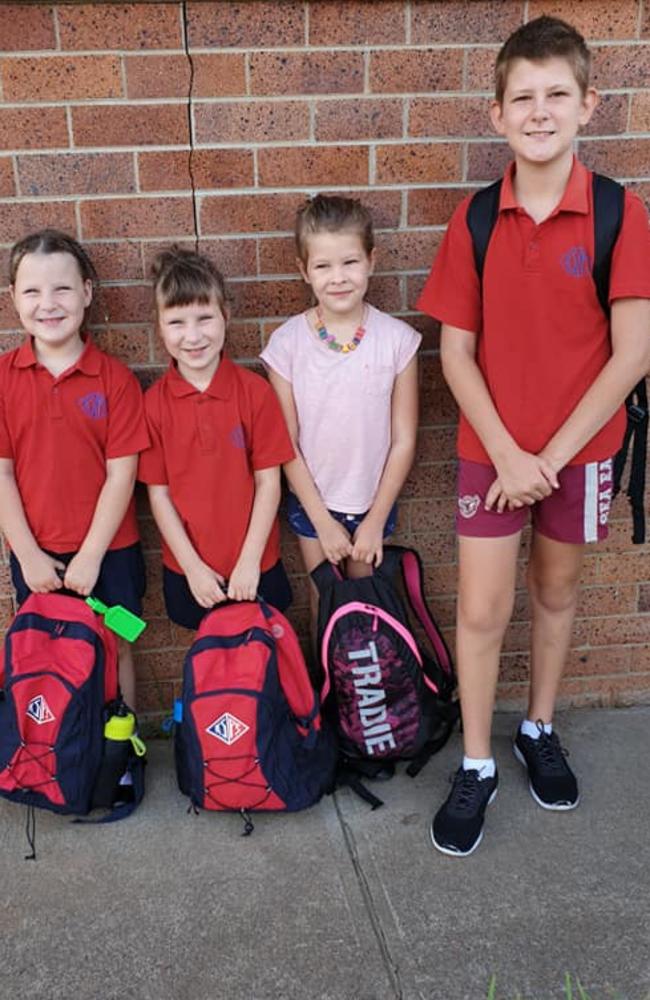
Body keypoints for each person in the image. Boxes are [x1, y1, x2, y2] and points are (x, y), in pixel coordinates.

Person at [418, 15, 650, 857]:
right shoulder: (477, 220)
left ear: (590, 104)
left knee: (556, 594)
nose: (540, 110)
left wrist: (548, 460)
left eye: (558, 94)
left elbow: (633, 355)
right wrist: (511, 456)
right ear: (497, 115)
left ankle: (538, 728)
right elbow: (455, 351)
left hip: (579, 456)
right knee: (482, 609)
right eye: (523, 96)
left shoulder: (622, 215)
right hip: (493, 454)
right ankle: (476, 760)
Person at [260, 194, 420, 639]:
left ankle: (364, 700)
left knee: (368, 602)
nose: (338, 278)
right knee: (325, 604)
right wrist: (322, 521)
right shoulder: (287, 344)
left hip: (373, 500)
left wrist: (374, 519)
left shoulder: (398, 341)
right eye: (323, 266)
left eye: (349, 262)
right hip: (315, 504)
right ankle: (329, 700)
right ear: (303, 271)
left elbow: (404, 438)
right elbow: (285, 443)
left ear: (372, 260)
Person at [0, 229, 149, 709]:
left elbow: (121, 476)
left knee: (120, 642)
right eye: (32, 290)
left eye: (62, 288)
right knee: (46, 650)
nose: (48, 303)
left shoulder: (116, 380)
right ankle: (61, 752)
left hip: (112, 552)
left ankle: (121, 752)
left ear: (86, 292)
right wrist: (28, 556)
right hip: (37, 554)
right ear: (13, 299)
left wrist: (90, 556)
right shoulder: (3, 378)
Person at [139, 246, 294, 631]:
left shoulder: (254, 392)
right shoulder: (153, 404)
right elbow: (158, 496)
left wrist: (249, 561)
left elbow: (269, 482)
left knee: (267, 656)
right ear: (159, 326)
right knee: (211, 663)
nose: (192, 336)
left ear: (226, 315)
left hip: (256, 564)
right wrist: (193, 569)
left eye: (204, 318)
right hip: (190, 570)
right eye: (176, 322)